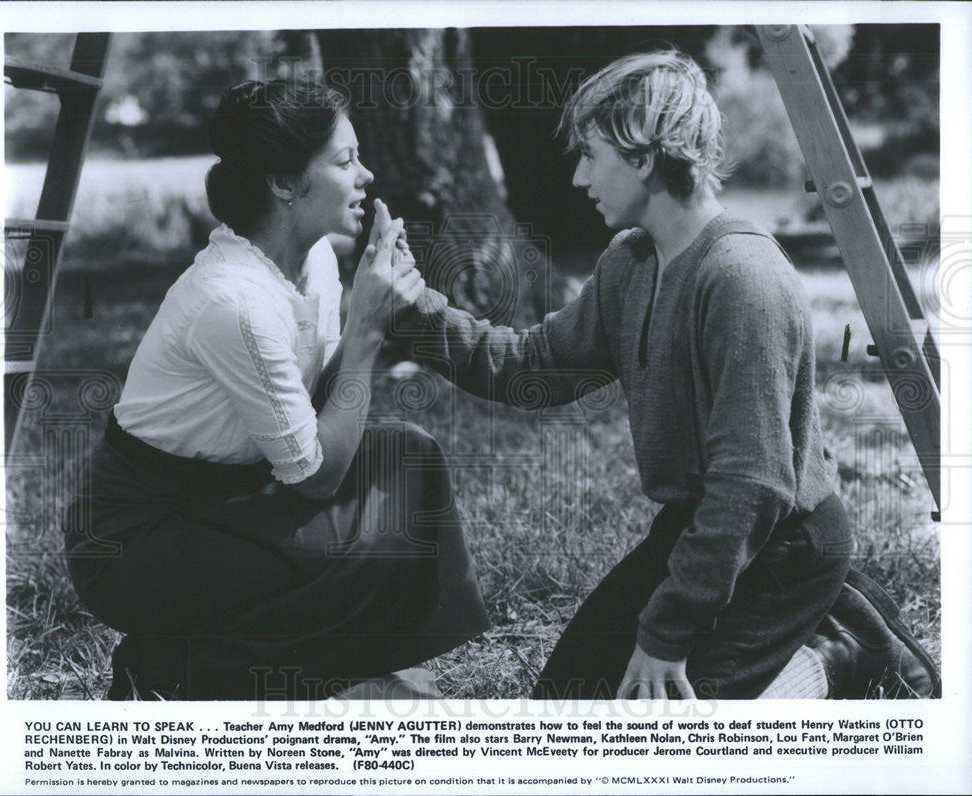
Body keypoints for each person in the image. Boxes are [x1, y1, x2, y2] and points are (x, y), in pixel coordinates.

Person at [394, 51, 940, 699]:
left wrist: (668, 631)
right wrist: (412, 310)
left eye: (591, 154)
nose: (577, 176)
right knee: (561, 705)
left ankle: (840, 653)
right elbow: (530, 368)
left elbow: (753, 484)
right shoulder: (631, 262)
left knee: (670, 737)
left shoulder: (742, 279)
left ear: (643, 155)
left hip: (783, 548)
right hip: (697, 528)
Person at [63, 79, 489, 700]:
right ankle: (171, 672)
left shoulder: (313, 260)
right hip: (138, 541)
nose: (366, 174)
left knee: (407, 458)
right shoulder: (233, 299)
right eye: (345, 161)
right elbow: (315, 476)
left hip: (228, 494)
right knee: (348, 543)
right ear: (285, 183)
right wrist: (367, 329)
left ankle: (360, 662)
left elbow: (317, 400)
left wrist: (375, 300)